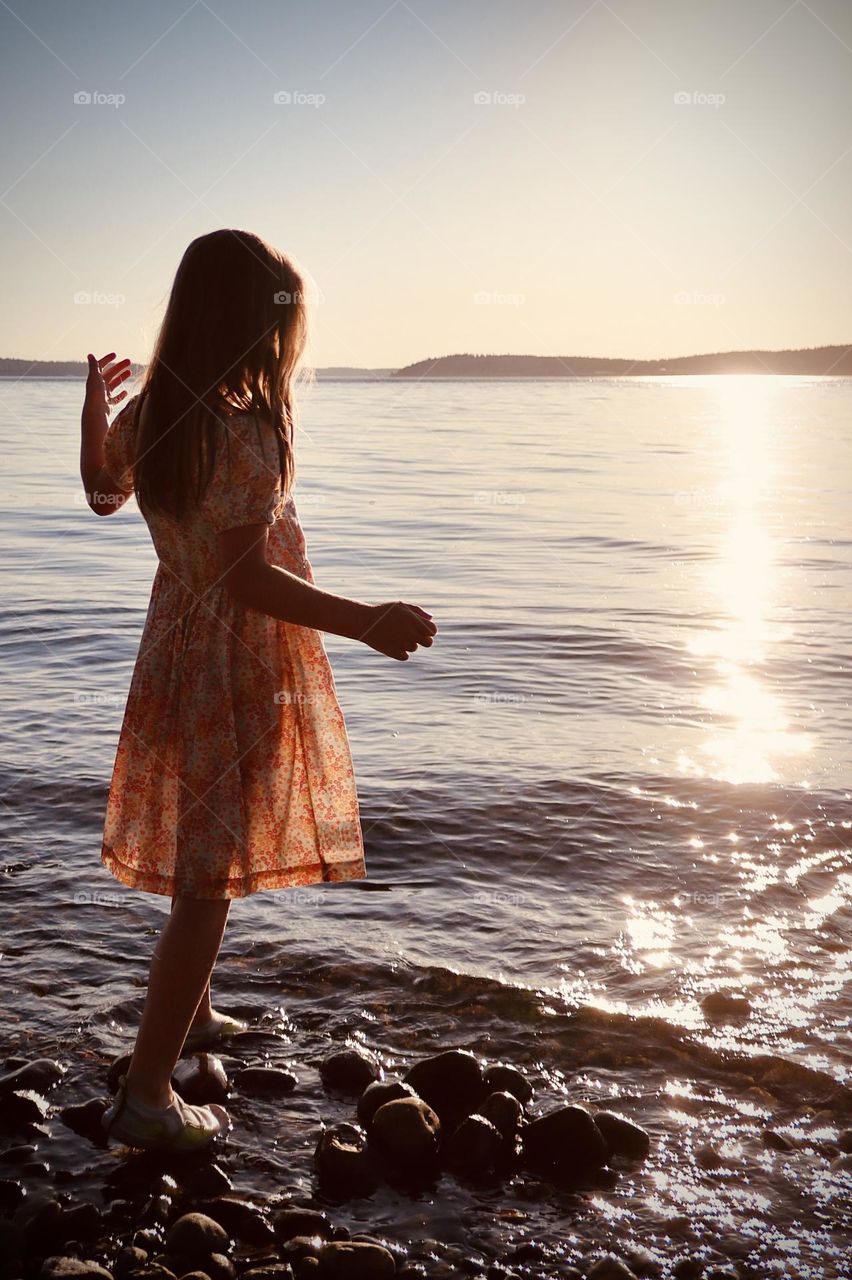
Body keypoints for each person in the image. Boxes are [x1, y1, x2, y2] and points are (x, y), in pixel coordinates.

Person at [79, 229, 437, 1151]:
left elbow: (100, 492)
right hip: (235, 670)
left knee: (204, 854)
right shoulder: (243, 432)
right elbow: (245, 579)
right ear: (252, 326)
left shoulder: (159, 411)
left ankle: (190, 1021)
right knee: (208, 883)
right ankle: (147, 1097)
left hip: (171, 661)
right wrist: (367, 619)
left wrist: (93, 409)